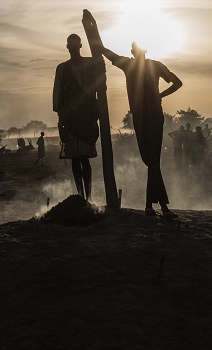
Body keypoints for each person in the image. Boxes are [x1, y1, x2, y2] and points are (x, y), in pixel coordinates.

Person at [102, 42, 182, 219]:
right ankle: (158, 207)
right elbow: (177, 83)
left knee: (151, 161)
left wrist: (160, 95)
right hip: (149, 116)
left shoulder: (131, 64)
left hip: (146, 117)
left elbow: (106, 52)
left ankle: (153, 207)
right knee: (152, 161)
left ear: (136, 52)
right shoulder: (150, 65)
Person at [53, 34, 102, 201]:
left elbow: (101, 83)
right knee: (75, 158)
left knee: (84, 158)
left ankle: (88, 196)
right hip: (70, 118)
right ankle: (80, 195)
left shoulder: (91, 63)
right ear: (67, 47)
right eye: (70, 46)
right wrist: (61, 120)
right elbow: (58, 93)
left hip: (87, 117)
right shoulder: (62, 68)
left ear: (80, 46)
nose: (73, 48)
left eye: (75, 45)